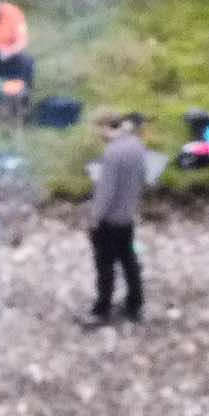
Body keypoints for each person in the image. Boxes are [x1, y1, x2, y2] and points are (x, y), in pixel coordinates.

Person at [85, 111, 148, 327]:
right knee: (129, 260)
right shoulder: (138, 146)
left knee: (105, 265)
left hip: (109, 220)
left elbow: (106, 192)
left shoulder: (113, 153)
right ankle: (135, 302)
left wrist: (94, 219)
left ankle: (102, 308)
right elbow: (143, 178)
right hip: (127, 216)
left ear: (107, 127)